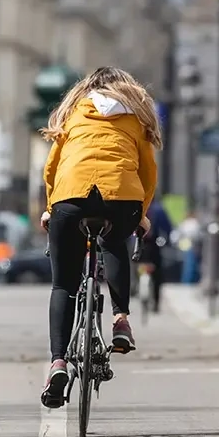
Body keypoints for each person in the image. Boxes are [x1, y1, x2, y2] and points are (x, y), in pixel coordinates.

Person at [38, 66, 158, 409]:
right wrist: (142, 214)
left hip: (70, 197)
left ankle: (58, 362)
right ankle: (121, 320)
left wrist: (50, 207)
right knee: (115, 241)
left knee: (63, 284)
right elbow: (148, 173)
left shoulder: (74, 114)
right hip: (122, 198)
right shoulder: (134, 118)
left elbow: (52, 167)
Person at [135, 196, 173, 311]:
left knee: (135, 265)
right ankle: (156, 302)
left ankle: (133, 287)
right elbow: (167, 228)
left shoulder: (137, 207)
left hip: (138, 243)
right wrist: (167, 241)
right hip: (154, 245)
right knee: (157, 273)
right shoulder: (159, 209)